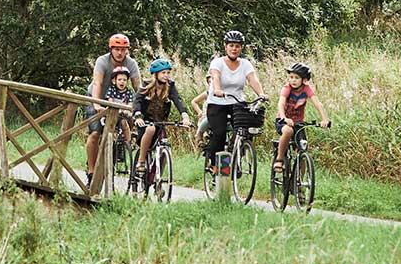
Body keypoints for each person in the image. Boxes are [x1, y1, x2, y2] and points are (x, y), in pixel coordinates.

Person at [203, 30, 267, 169]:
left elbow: (253, 80)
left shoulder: (245, 64)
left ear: (241, 48)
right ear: (225, 46)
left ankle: (234, 154)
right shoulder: (217, 62)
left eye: (237, 46)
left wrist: (261, 94)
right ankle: (215, 165)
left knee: (246, 130)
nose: (234, 49)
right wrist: (218, 89)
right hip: (217, 103)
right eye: (231, 45)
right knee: (219, 133)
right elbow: (216, 77)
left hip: (237, 103)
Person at [85, 33, 141, 182]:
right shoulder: (102, 61)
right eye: (117, 49)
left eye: (123, 49)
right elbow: (97, 83)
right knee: (95, 133)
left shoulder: (131, 64)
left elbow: (138, 87)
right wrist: (97, 104)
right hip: (97, 99)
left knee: (122, 128)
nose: (120, 53)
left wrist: (140, 107)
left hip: (118, 104)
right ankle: (91, 172)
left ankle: (122, 149)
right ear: (111, 49)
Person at [131, 59, 192, 177]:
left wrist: (185, 116)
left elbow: (178, 101)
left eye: (168, 72)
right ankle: (141, 161)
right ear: (156, 74)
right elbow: (137, 101)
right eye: (163, 73)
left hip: (161, 123)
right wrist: (138, 116)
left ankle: (157, 181)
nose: (166, 75)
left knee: (166, 147)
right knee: (151, 129)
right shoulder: (145, 85)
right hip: (144, 124)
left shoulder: (170, 86)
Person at [272, 62, 330, 175]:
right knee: (288, 131)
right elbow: (281, 104)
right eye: (291, 77)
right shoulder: (287, 88)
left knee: (303, 152)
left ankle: (298, 184)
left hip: (298, 123)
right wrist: (284, 118)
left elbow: (318, 104)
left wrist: (324, 119)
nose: (293, 80)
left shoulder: (306, 89)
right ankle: (279, 159)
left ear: (304, 80)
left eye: (296, 78)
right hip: (283, 121)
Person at [104, 66, 137, 153]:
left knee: (124, 123)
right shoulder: (112, 90)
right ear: (114, 81)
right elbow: (110, 102)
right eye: (119, 79)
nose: (122, 82)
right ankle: (112, 143)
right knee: (111, 127)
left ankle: (129, 142)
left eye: (124, 80)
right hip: (113, 114)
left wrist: (127, 110)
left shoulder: (128, 92)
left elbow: (130, 104)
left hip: (123, 115)